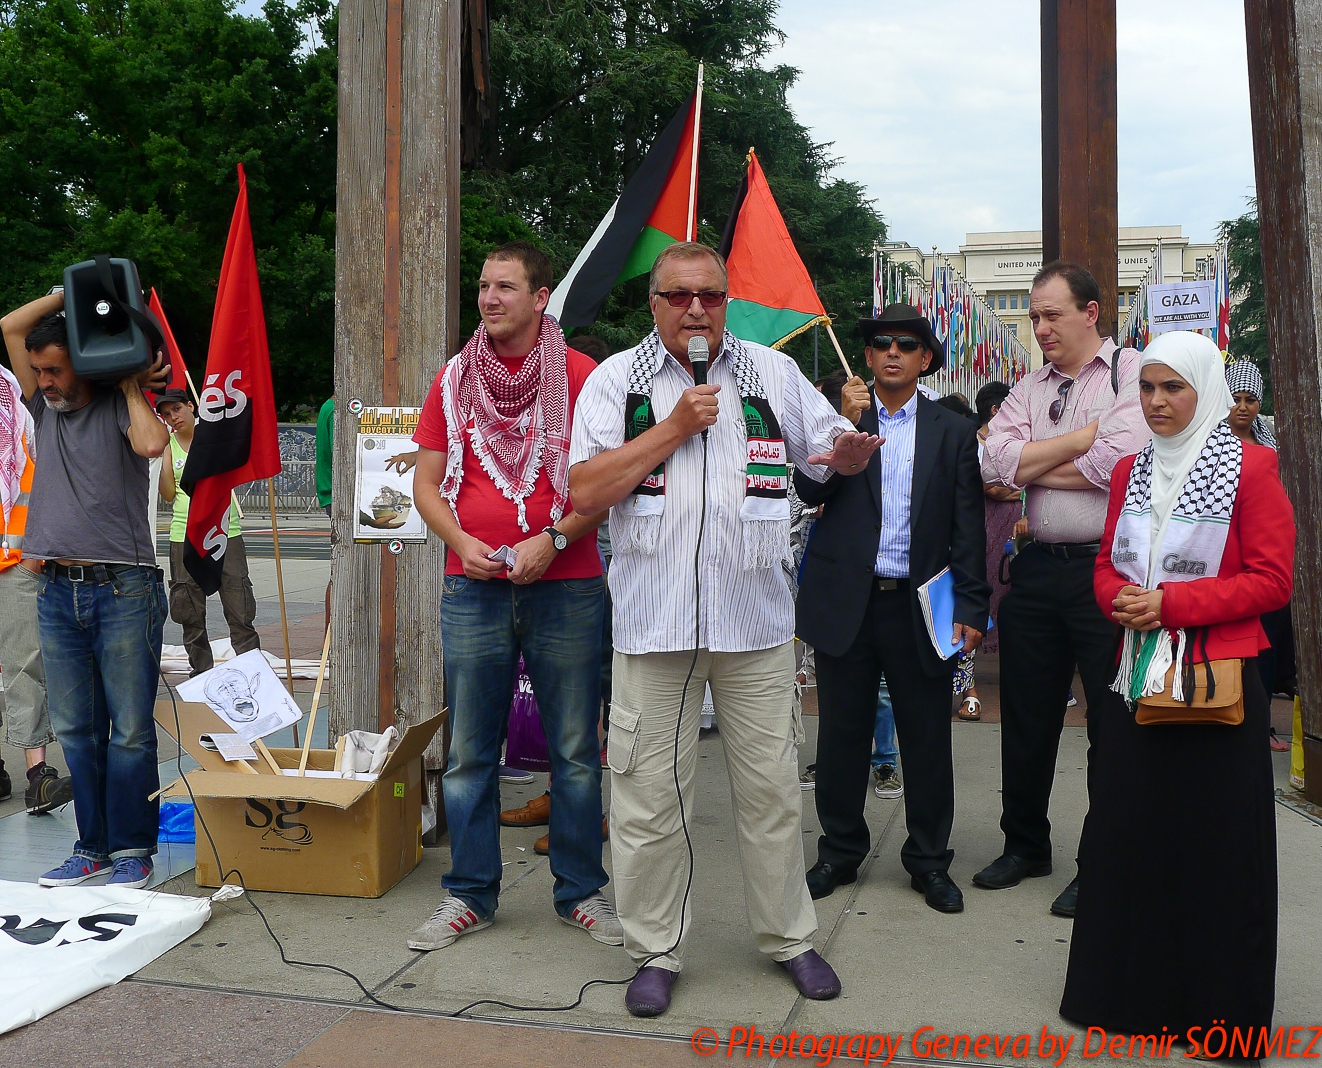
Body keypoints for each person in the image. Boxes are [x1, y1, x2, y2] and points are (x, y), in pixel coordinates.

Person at [569, 241, 879, 1016]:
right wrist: (673, 427)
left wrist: (844, 455)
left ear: (727, 298)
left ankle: (789, 939)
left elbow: (820, 455)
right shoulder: (617, 380)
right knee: (647, 799)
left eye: (710, 294)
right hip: (653, 627)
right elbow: (586, 486)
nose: (696, 310)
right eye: (679, 296)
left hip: (758, 625)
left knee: (772, 791)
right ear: (654, 303)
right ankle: (657, 951)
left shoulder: (772, 374)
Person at [1060, 331, 1293, 1047]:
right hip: (1138, 679)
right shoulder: (1130, 468)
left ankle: (1218, 1017)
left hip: (1217, 685)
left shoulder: (1252, 469)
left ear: (1206, 392)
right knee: (1129, 836)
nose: (1157, 402)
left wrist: (1173, 605)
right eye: (1148, 388)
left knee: (1218, 849)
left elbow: (1272, 580)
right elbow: (1106, 563)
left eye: (1174, 388)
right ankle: (1130, 999)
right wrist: (1120, 599)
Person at [404, 241, 619, 953]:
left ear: (540, 296)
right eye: (484, 286)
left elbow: (606, 484)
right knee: (470, 752)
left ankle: (581, 893)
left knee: (574, 751)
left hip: (568, 585)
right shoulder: (453, 379)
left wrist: (552, 539)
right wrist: (463, 545)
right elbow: (426, 487)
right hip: (474, 588)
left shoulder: (586, 378)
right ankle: (468, 896)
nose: (490, 298)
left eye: (505, 286)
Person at [796, 304, 989, 914]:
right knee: (842, 736)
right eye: (881, 344)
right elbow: (808, 490)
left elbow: (968, 526)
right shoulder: (838, 419)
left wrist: (973, 606)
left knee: (927, 738)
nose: (893, 353)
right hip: (849, 601)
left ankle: (930, 860)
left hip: (920, 604)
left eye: (907, 344)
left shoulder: (951, 431)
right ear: (872, 355)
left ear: (925, 357)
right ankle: (838, 852)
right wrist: (840, 430)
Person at [976, 261, 1149, 917]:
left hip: (1106, 570)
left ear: (1091, 312)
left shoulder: (1131, 373)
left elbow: (1124, 463)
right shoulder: (1028, 384)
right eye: (1034, 315)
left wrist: (1035, 462)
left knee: (1109, 724)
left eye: (1051, 313)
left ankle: (1099, 862)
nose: (1040, 327)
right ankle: (1024, 846)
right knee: (1025, 715)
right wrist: (1082, 441)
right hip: (1038, 565)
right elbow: (991, 459)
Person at [1, 291, 170, 889]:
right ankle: (90, 846)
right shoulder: (45, 411)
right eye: (38, 370)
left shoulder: (122, 404)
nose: (43, 381)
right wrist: (74, 292)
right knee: (76, 729)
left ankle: (132, 851)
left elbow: (152, 447)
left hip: (123, 587)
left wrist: (127, 385)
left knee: (128, 729)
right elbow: (9, 325)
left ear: (87, 365)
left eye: (55, 370)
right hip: (55, 589)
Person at [0, 363, 73, 814]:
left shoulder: (19, 417)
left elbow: (43, 485)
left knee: (24, 668)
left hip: (15, 565)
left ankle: (37, 775)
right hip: (19, 563)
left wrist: (32, 558)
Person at [156, 389, 260, 676]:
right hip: (183, 535)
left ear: (192, 406)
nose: (173, 417)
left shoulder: (213, 441)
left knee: (239, 605)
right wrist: (164, 452)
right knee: (188, 609)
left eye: (177, 409)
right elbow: (167, 494)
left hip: (224, 530)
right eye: (166, 414)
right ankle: (201, 673)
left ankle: (251, 673)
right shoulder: (170, 446)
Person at [1224, 360, 1294, 732]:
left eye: (1251, 399)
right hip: (1224, 558)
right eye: (1235, 398)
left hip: (1262, 556)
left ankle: (1260, 723)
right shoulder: (1211, 441)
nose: (1243, 407)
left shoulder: (1270, 442)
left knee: (1264, 645)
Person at [954, 382, 1024, 722]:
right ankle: (968, 686)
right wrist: (1004, 492)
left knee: (1010, 590)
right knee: (972, 594)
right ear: (996, 410)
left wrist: (1010, 494)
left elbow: (1020, 483)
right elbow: (988, 486)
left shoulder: (1015, 443)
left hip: (1011, 529)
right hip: (975, 528)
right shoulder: (968, 440)